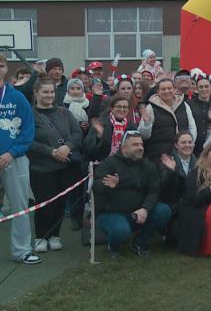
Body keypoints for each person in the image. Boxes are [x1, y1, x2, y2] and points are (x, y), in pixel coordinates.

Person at [94, 131, 171, 258]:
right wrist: (107, 185)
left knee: (164, 210)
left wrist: (145, 209)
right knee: (121, 230)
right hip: (111, 213)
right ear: (124, 148)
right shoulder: (108, 164)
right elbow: (96, 187)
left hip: (138, 213)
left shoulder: (148, 166)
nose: (140, 148)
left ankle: (140, 242)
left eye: (141, 144)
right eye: (135, 145)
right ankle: (113, 246)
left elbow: (154, 191)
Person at [28, 78, 83, 253]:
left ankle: (55, 235)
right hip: (41, 168)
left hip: (64, 167)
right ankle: (40, 236)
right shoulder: (30, 114)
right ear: (36, 93)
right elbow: (28, 141)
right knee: (45, 203)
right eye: (45, 92)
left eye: (52, 91)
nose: (49, 95)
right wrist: (51, 152)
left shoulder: (64, 112)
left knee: (60, 203)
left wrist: (67, 147)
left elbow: (77, 134)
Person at [0, 54, 39, 264]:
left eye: (1, 65)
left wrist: (11, 152)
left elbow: (28, 129)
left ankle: (21, 250)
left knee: (20, 206)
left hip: (14, 158)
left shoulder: (17, 97)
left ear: (6, 69)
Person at [139, 78, 197, 161]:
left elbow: (192, 127)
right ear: (158, 92)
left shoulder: (184, 105)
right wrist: (147, 124)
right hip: (158, 156)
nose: (167, 91)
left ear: (174, 89)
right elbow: (144, 135)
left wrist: (189, 144)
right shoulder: (150, 108)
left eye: (169, 88)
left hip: (182, 155)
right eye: (163, 89)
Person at [158, 131, 197, 244]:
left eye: (190, 142)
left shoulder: (198, 162)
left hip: (192, 204)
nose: (187, 145)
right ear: (176, 145)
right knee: (175, 238)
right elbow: (164, 185)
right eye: (183, 142)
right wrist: (171, 171)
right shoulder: (168, 161)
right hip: (173, 205)